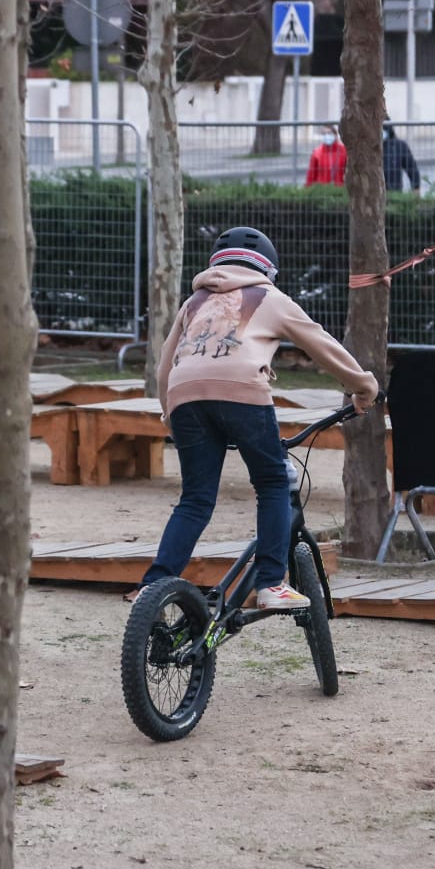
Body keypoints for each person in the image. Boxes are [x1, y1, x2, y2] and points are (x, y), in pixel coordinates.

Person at [132, 227, 380, 609]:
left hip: (185, 396)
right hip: (242, 393)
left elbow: (166, 363)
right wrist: (363, 385)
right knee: (272, 482)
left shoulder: (194, 302)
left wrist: (171, 413)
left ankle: (152, 586)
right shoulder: (270, 297)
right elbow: (321, 344)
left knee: (195, 498)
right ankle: (270, 584)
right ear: (268, 269)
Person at [383, 123, 421, 193]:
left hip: (394, 191)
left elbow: (412, 169)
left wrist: (416, 187)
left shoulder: (400, 146)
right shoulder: (369, 147)